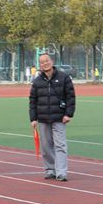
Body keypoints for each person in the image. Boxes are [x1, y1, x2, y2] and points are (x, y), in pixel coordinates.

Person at [29, 52, 76, 182]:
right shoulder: (37, 81)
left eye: (47, 60)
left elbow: (70, 97)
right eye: (42, 62)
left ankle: (61, 172)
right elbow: (32, 101)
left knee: (60, 145)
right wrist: (33, 118)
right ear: (40, 65)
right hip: (43, 118)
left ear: (52, 61)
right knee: (46, 146)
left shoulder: (63, 77)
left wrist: (68, 114)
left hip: (59, 117)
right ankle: (50, 170)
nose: (45, 63)